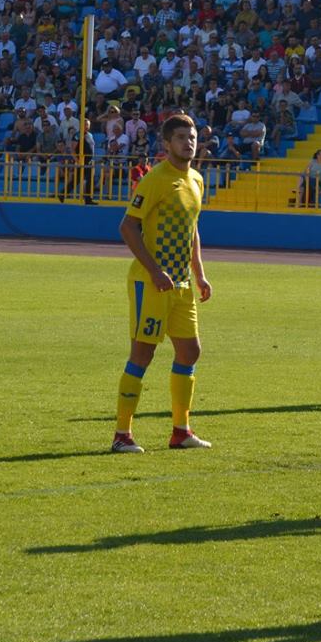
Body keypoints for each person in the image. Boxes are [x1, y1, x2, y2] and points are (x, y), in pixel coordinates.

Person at [112, 112, 214, 454]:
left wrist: (199, 273)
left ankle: (181, 431)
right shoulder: (156, 179)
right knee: (143, 353)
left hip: (182, 284)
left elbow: (192, 228)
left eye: (193, 137)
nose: (189, 143)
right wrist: (155, 270)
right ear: (167, 144)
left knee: (190, 350)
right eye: (182, 138)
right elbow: (128, 226)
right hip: (150, 283)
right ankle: (122, 435)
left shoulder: (196, 180)